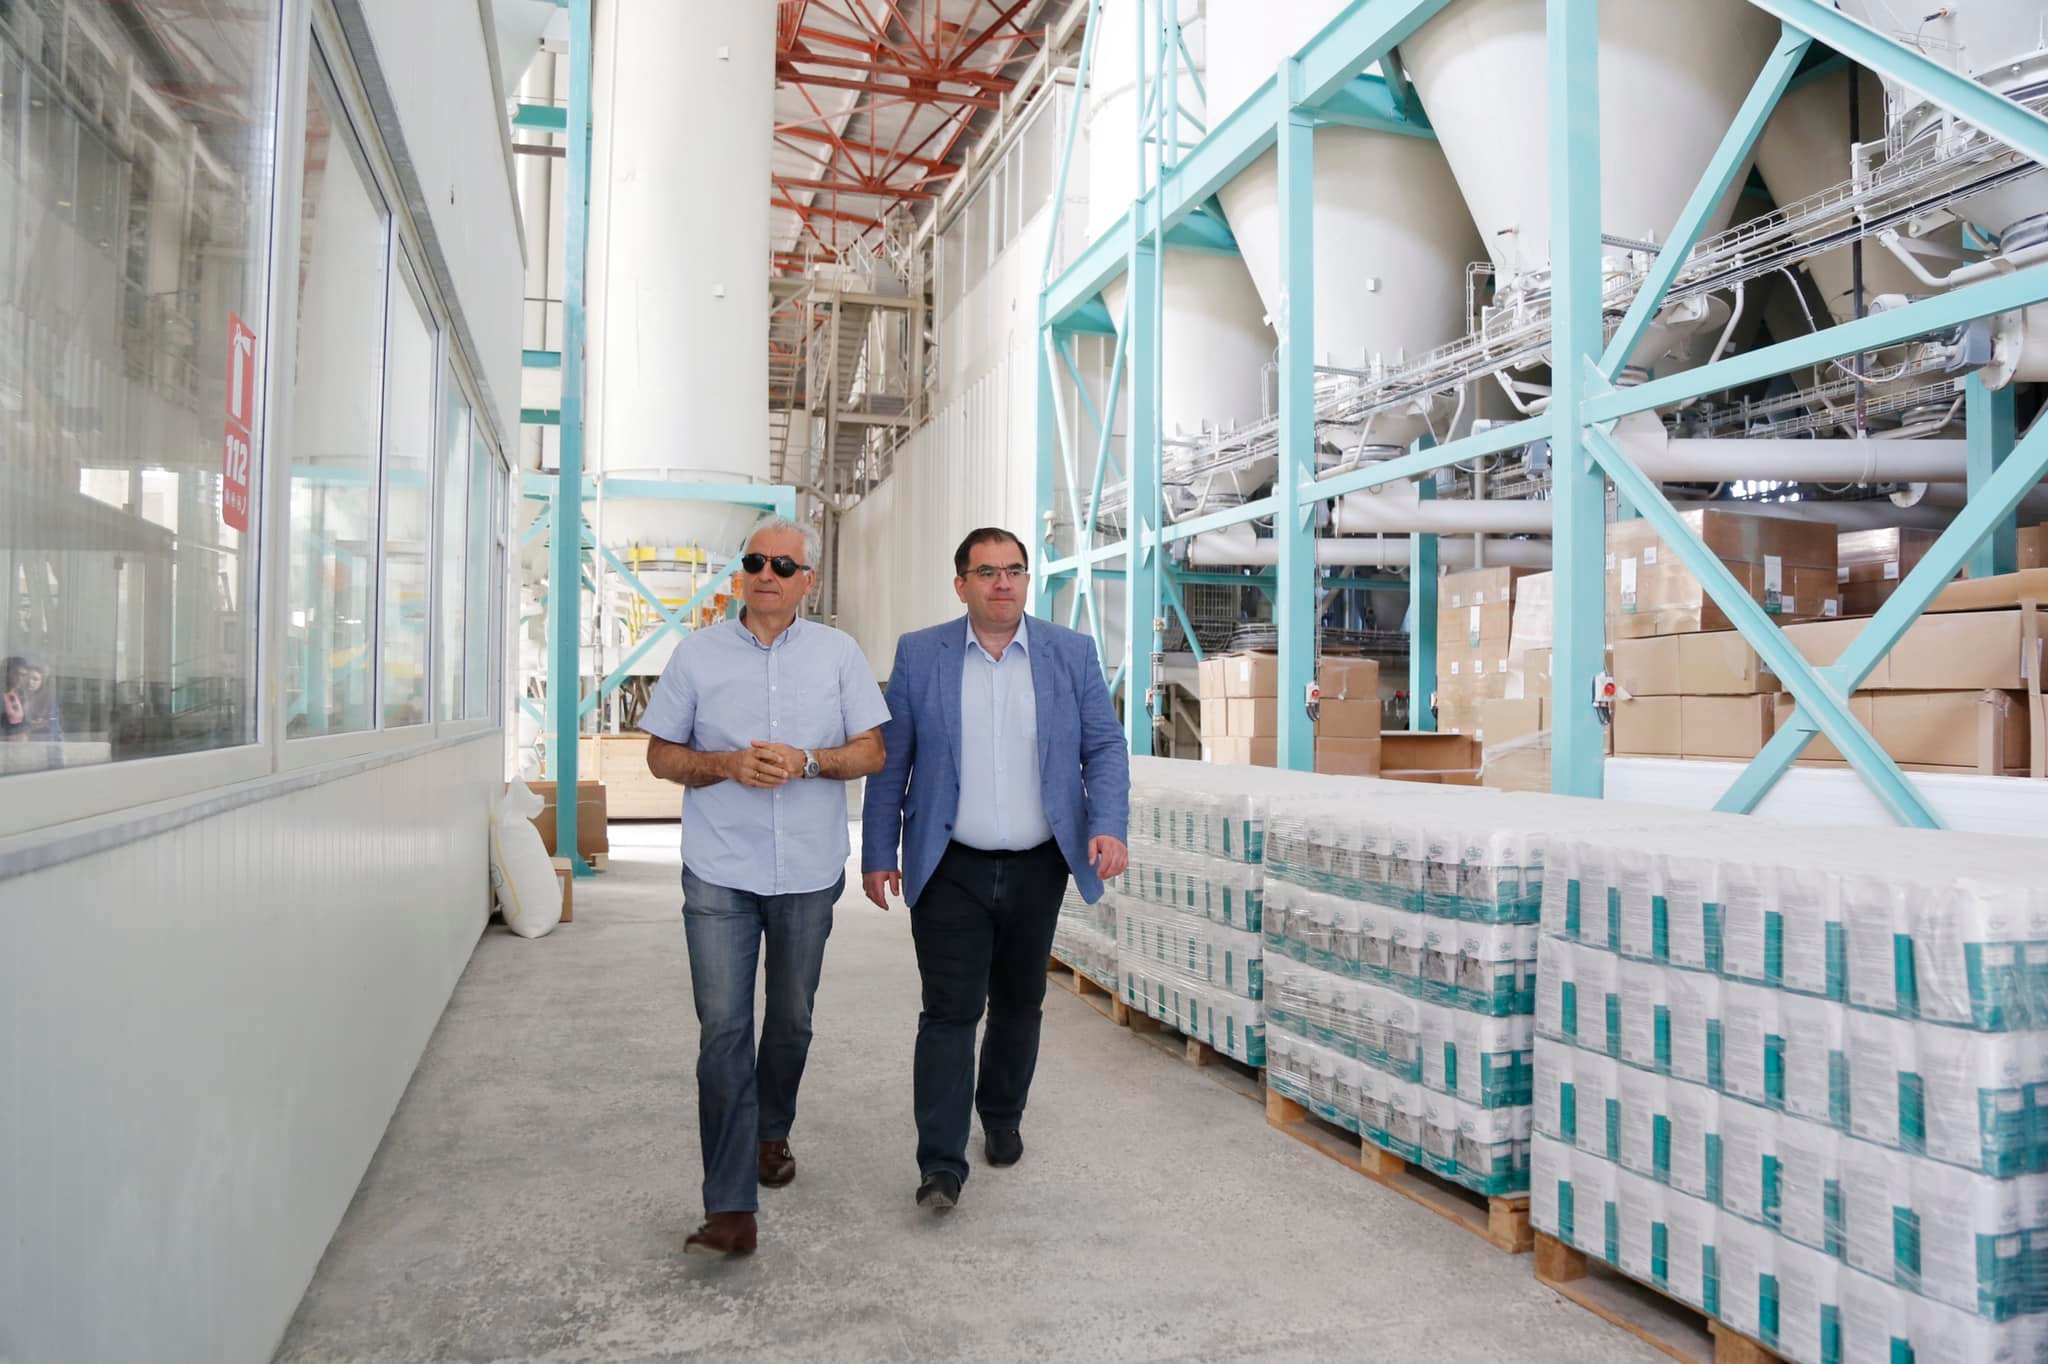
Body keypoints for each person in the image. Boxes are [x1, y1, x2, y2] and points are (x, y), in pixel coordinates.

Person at [860, 527, 1130, 1213]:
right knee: (950, 1011)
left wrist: (1107, 823)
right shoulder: (921, 654)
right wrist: (878, 852)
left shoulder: (1071, 653)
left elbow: (1104, 747)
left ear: (1025, 580)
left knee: (1019, 1002)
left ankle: (1002, 1115)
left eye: (1013, 569)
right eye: (986, 572)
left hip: (1039, 865)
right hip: (950, 865)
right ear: (962, 585)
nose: (1002, 582)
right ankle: (940, 1163)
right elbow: (893, 761)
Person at [641, 514, 890, 1258]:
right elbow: (660, 755)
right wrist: (726, 764)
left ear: (808, 580)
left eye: (784, 566)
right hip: (720, 868)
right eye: (755, 562)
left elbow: (872, 751)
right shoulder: (697, 655)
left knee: (790, 1019)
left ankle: (770, 1132)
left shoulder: (839, 655)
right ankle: (729, 1208)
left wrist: (808, 762)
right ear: (739, 575)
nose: (767, 575)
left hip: (808, 872)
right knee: (723, 1029)